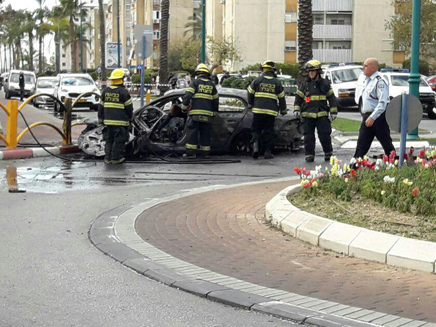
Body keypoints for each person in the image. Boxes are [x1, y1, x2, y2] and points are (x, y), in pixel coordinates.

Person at [293, 59, 338, 162]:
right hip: (307, 116)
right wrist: (296, 109)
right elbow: (298, 99)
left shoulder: (325, 84)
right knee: (308, 137)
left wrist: (333, 111)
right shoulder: (304, 85)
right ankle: (309, 154)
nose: (311, 73)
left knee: (324, 135)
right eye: (309, 71)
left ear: (318, 71)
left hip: (321, 115)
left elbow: (331, 98)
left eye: (313, 71)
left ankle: (328, 153)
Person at [354, 58, 395, 159]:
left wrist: (373, 117)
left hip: (378, 118)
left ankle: (394, 164)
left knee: (386, 143)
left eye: (366, 66)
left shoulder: (380, 82)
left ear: (373, 68)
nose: (363, 68)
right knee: (361, 144)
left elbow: (382, 103)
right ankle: (354, 167)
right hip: (367, 116)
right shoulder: (366, 81)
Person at [247, 60, 287, 159]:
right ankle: (267, 152)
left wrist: (250, 104)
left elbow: (249, 92)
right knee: (269, 132)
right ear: (273, 71)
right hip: (271, 112)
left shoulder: (257, 80)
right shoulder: (276, 82)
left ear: (263, 70)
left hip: (258, 111)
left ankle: (255, 147)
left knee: (256, 129)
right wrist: (283, 110)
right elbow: (282, 98)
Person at [181, 63, 219, 159]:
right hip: (208, 116)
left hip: (195, 115)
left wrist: (184, 107)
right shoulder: (212, 85)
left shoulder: (195, 82)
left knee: (192, 134)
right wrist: (214, 111)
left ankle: (191, 154)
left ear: (198, 73)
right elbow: (216, 100)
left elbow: (187, 95)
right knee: (205, 134)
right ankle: (205, 154)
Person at [98, 69, 134, 164]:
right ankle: (116, 158)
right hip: (120, 122)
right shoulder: (124, 92)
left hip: (108, 122)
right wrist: (130, 118)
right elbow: (129, 108)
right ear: (121, 79)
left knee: (109, 140)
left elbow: (100, 107)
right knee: (119, 140)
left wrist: (100, 120)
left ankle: (108, 158)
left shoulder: (105, 91)